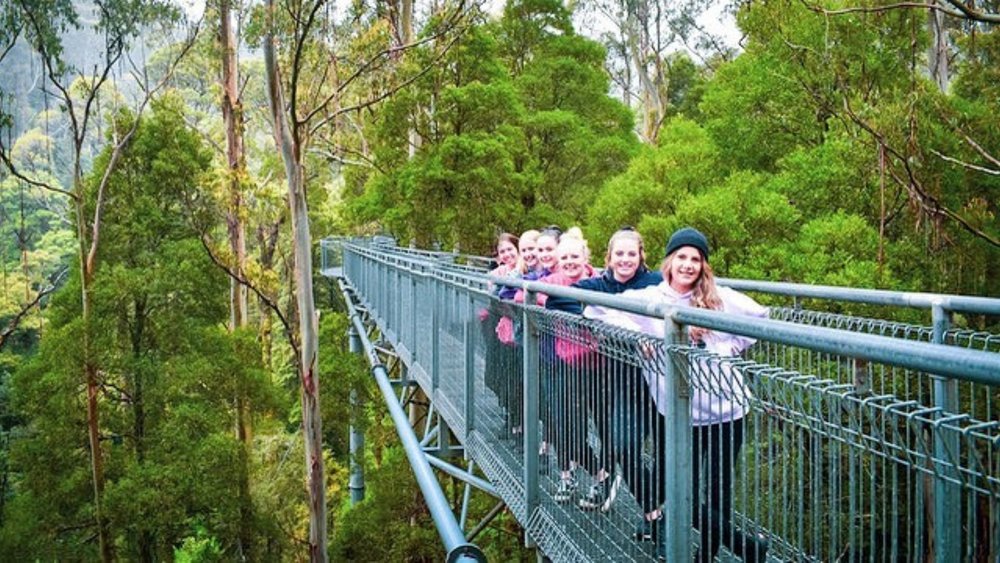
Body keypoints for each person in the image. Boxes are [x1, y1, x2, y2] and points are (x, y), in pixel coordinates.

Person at [584, 227, 769, 563]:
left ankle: (706, 556)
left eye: (695, 259)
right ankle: (748, 548)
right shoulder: (650, 298)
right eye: (682, 257)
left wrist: (729, 345)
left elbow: (760, 318)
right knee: (681, 492)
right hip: (681, 415)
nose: (688, 265)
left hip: (728, 411)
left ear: (703, 265)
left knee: (717, 494)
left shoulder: (720, 297)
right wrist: (635, 336)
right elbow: (594, 309)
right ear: (669, 261)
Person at [545, 227, 662, 512]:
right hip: (625, 382)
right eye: (619, 254)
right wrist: (602, 322)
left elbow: (684, 299)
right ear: (609, 258)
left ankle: (657, 516)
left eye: (631, 253)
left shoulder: (656, 281)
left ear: (641, 255)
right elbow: (557, 298)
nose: (625, 259)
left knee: (667, 458)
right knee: (624, 448)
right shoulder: (598, 286)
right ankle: (652, 512)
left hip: (661, 381)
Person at [515, 228, 597, 502]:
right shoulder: (550, 281)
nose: (568, 261)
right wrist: (545, 296)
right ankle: (569, 474)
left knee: (576, 424)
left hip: (591, 364)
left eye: (575, 256)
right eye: (565, 257)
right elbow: (518, 295)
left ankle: (598, 473)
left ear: (585, 256)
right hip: (554, 358)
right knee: (559, 421)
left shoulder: (594, 280)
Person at [483, 233, 520, 418]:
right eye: (502, 251)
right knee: (495, 377)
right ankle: (512, 415)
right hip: (500, 331)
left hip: (519, 335)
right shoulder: (497, 275)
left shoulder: (524, 272)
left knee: (515, 380)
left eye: (509, 250)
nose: (506, 255)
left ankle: (517, 421)